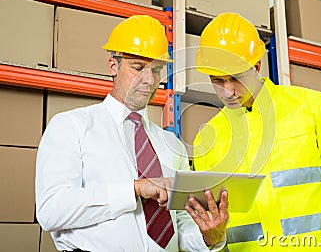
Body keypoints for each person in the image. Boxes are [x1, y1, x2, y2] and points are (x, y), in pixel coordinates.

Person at [35, 15, 229, 252]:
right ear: (113, 66)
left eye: (157, 70)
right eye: (138, 68)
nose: (149, 80)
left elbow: (179, 225)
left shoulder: (171, 145)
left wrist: (209, 237)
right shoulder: (72, 127)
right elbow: (51, 211)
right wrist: (134, 189)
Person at [192, 12, 321, 251]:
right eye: (218, 80)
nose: (228, 91)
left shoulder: (312, 107)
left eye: (235, 78)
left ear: (257, 66)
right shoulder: (208, 138)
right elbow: (213, 222)